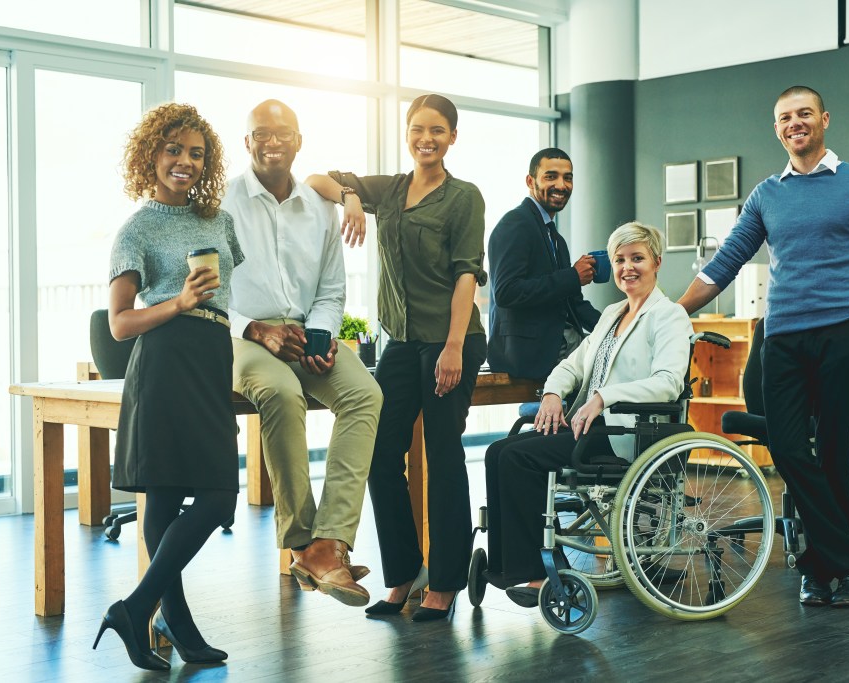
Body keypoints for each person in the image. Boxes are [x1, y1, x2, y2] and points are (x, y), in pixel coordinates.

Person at [678, 86, 849, 608]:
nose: (795, 123)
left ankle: (822, 570)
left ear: (823, 119)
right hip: (781, 337)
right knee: (786, 445)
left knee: (833, 450)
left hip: (842, 334)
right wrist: (667, 311)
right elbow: (723, 264)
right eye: (785, 117)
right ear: (776, 129)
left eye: (804, 114)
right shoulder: (766, 194)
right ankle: (845, 561)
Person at [307, 94, 488, 621]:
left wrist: (453, 347)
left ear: (452, 137)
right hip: (400, 342)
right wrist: (351, 198)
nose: (425, 139)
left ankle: (446, 583)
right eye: (417, 129)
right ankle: (403, 574)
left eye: (437, 130)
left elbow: (465, 275)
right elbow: (317, 178)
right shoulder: (391, 189)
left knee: (443, 454)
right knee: (381, 454)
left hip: (449, 339)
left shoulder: (463, 198)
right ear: (407, 133)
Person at [93, 103, 243, 670]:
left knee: (195, 494)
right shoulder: (136, 229)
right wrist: (178, 301)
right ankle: (156, 614)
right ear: (151, 154)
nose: (184, 161)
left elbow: (228, 297)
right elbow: (119, 323)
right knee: (196, 494)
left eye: (196, 153)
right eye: (173, 150)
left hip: (210, 356)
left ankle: (152, 615)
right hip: (163, 359)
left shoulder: (219, 221)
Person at [223, 99, 382, 608]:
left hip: (303, 331)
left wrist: (320, 335)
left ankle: (329, 541)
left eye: (283, 132)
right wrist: (257, 329)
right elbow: (208, 293)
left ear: (298, 141)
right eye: (261, 133)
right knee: (279, 392)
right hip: (240, 334)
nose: (272, 141)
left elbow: (332, 288)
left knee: (364, 394)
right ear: (247, 142)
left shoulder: (320, 207)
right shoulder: (221, 204)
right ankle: (300, 541)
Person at [483, 222, 691, 608]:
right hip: (590, 428)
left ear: (657, 262)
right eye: (620, 260)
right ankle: (505, 566)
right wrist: (550, 394)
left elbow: (668, 383)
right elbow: (572, 365)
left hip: (625, 433)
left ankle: (535, 570)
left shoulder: (670, 316)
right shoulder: (613, 313)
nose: (628, 267)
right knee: (498, 451)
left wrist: (603, 396)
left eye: (637, 259)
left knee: (517, 457)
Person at [487, 148, 602, 380]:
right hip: (530, 353)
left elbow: (572, 302)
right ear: (531, 181)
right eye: (551, 176)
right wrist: (572, 276)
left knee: (617, 359)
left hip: (559, 344)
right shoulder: (515, 224)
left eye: (567, 178)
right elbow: (507, 292)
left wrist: (617, 325)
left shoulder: (554, 237)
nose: (561, 185)